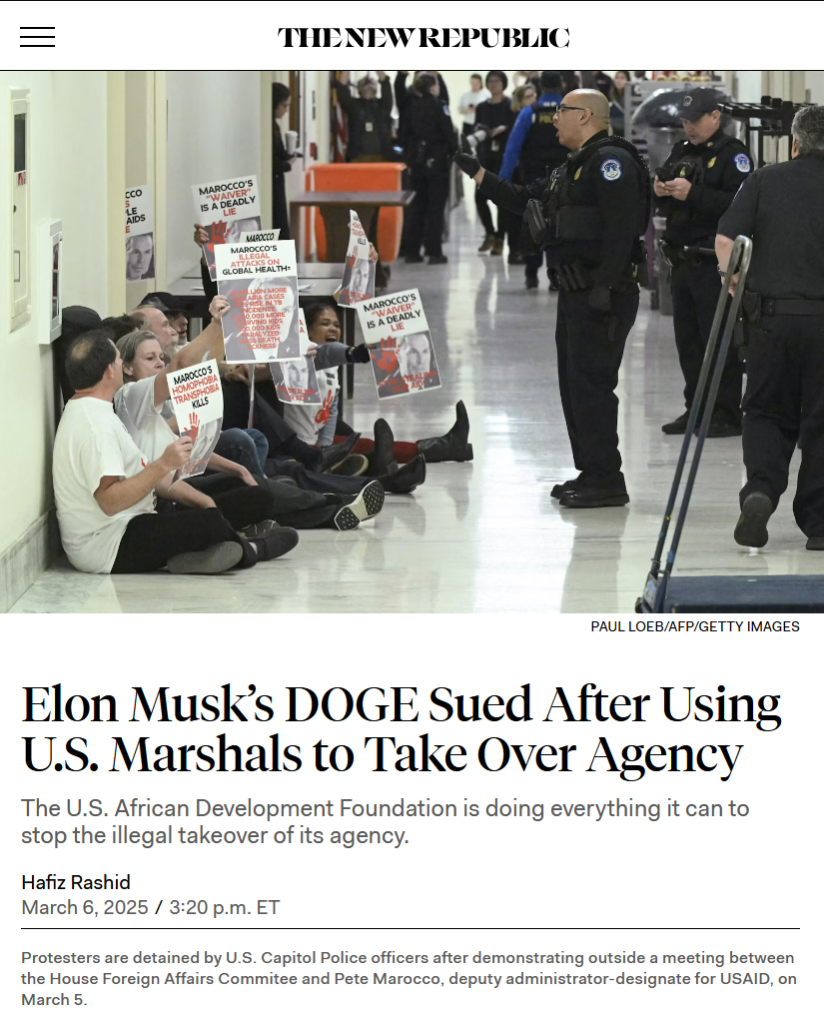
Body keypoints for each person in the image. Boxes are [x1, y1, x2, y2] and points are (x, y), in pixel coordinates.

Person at [455, 89, 650, 509]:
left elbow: (622, 229)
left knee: (594, 384)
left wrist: (605, 285)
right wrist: (478, 174)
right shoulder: (573, 166)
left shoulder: (611, 163)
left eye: (562, 111)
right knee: (575, 384)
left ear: (586, 116)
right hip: (576, 291)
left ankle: (607, 478)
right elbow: (526, 197)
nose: (554, 118)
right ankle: (592, 470)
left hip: (602, 295)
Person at [53, 321, 300, 577]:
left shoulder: (92, 409)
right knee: (209, 523)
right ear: (109, 371)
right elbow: (110, 503)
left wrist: (205, 502)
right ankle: (251, 548)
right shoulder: (97, 427)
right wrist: (164, 464)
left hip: (128, 522)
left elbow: (149, 480)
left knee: (223, 507)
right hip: (108, 545)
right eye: (117, 360)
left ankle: (197, 552)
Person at [715, 103, 824, 552]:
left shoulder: (762, 181)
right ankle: (820, 525)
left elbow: (727, 242)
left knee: (764, 411)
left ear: (794, 142)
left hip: (770, 321)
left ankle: (760, 489)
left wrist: (737, 287)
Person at [655, 88, 753, 437]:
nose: (689, 128)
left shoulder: (734, 156)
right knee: (689, 342)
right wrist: (660, 189)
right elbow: (666, 187)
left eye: (695, 121)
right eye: (684, 121)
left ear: (715, 117)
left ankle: (726, 412)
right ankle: (695, 408)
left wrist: (692, 194)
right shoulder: (681, 151)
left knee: (719, 341)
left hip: (713, 264)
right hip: (682, 260)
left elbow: (740, 207)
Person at [303, 303, 473, 470]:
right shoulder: (302, 357)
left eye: (337, 325)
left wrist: (325, 447)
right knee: (367, 447)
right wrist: (354, 353)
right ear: (306, 330)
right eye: (324, 324)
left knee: (361, 442)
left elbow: (331, 410)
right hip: (301, 443)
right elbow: (326, 353)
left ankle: (447, 447)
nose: (333, 328)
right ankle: (446, 448)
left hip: (317, 434)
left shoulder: (333, 367)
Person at [501, 71, 566, 286]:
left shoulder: (529, 112)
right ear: (561, 85)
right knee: (560, 224)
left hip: (533, 177)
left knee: (533, 221)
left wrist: (504, 179)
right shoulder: (570, 113)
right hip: (563, 178)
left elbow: (512, 149)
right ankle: (557, 276)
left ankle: (531, 274)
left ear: (540, 88)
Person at [399, 73, 457, 266]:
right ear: (433, 87)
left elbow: (403, 135)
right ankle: (434, 252)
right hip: (437, 160)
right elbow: (449, 135)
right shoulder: (440, 107)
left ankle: (412, 252)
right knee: (435, 207)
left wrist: (408, 157)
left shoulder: (410, 107)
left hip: (417, 161)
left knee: (418, 207)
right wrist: (456, 156)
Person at [472, 72, 515, 257]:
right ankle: (490, 232)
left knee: (501, 200)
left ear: (503, 83)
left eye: (497, 81)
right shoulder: (482, 106)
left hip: (503, 157)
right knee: (480, 197)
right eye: (490, 81)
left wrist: (503, 129)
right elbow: (476, 126)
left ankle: (500, 238)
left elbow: (514, 129)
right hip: (485, 156)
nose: (494, 84)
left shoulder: (510, 105)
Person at [333, 71, 394, 162]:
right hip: (358, 158)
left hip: (382, 157)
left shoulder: (383, 106)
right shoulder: (354, 106)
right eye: (365, 88)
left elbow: (385, 83)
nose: (368, 90)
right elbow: (342, 88)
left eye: (371, 89)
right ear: (360, 91)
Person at [271, 82, 295, 239]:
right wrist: (287, 164)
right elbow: (272, 163)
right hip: (272, 184)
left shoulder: (275, 126)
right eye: (284, 106)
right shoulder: (268, 127)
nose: (286, 111)